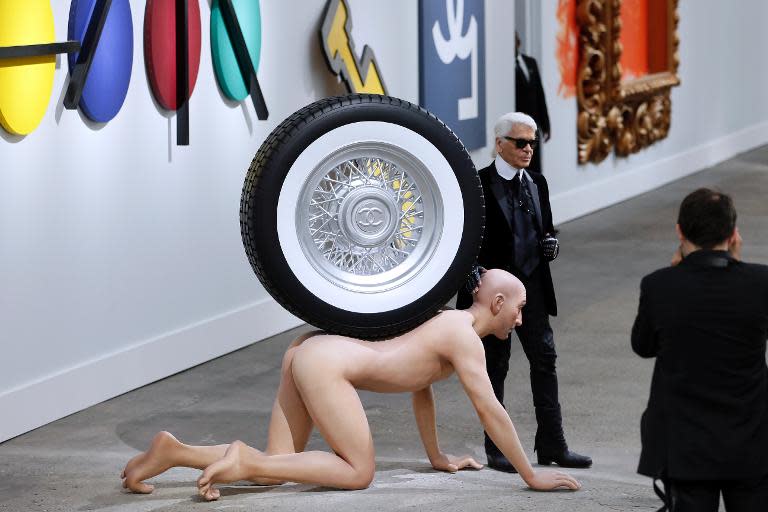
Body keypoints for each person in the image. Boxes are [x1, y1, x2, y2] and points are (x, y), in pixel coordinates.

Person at [121, 269, 581, 501]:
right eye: (518, 309)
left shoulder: (449, 323)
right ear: (497, 302)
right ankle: (237, 458)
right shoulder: (463, 337)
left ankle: (172, 452)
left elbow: (421, 388)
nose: (520, 319)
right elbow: (490, 410)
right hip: (328, 364)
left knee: (274, 468)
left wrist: (437, 456)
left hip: (309, 351)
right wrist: (531, 475)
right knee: (358, 471)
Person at [456, 112, 591, 473]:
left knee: (545, 360)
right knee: (495, 367)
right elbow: (461, 237)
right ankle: (497, 447)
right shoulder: (476, 184)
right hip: (493, 295)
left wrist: (550, 245)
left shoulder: (537, 183)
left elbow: (545, 230)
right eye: (520, 142)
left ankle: (552, 443)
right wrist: (469, 273)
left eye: (532, 142)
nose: (528, 148)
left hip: (531, 290)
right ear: (499, 144)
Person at [632, 188, 768, 512]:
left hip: (685, 444)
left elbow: (643, 346)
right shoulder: (761, 283)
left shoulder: (659, 285)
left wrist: (675, 274)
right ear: (734, 234)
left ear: (680, 231)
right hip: (752, 439)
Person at [515, 32, 550, 175]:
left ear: (518, 42)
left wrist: (545, 124)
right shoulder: (504, 68)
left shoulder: (530, 62)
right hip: (517, 128)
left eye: (515, 41)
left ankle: (537, 194)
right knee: (521, 164)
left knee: (535, 164)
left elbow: (540, 95)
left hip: (534, 125)